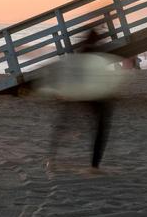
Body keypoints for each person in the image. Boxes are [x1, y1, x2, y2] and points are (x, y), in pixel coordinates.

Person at [48, 29, 114, 171]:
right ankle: (94, 165)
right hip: (91, 95)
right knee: (100, 128)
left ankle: (51, 158)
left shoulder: (81, 52)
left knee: (64, 123)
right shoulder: (94, 53)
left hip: (77, 93)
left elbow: (72, 72)